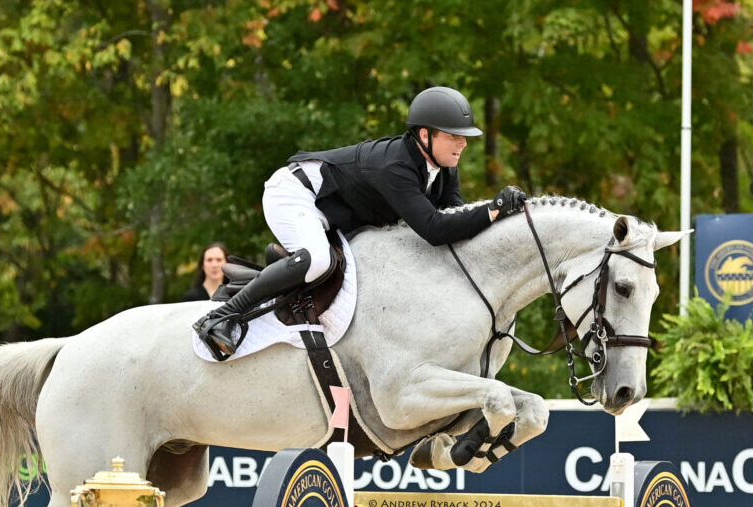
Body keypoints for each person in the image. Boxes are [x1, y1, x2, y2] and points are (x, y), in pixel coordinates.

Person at [193, 85, 530, 360]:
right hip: (295, 193)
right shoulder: (394, 167)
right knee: (318, 260)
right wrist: (492, 210)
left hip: (333, 213)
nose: (464, 143)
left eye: (464, 136)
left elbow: (454, 219)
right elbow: (434, 230)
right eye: (454, 136)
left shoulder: (443, 168)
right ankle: (221, 317)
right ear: (425, 135)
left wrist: (498, 214)